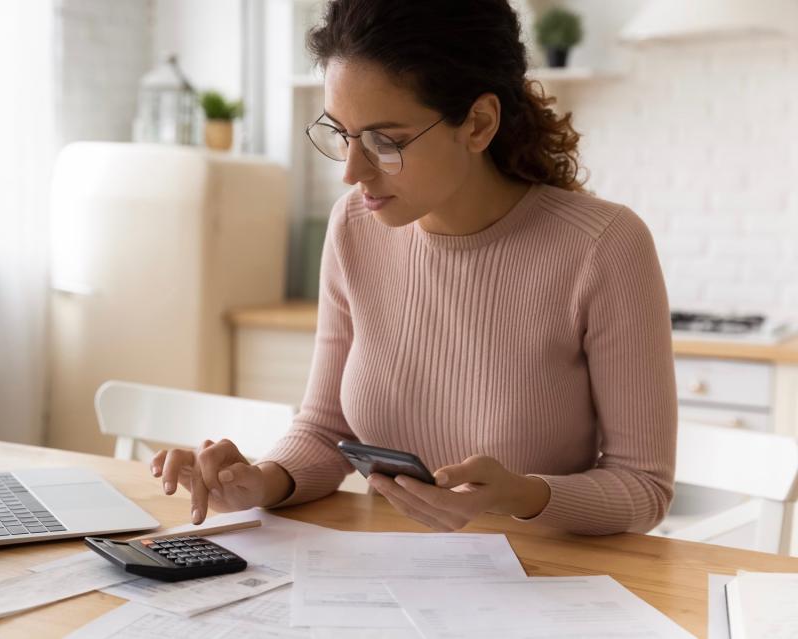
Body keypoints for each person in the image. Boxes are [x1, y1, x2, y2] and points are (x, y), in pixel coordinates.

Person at [151, 0, 677, 535]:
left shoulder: (603, 246)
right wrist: (261, 481)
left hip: (545, 585)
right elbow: (325, 428)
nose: (352, 172)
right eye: (342, 134)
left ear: (478, 123)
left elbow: (643, 487)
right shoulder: (353, 227)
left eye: (386, 142)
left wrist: (521, 495)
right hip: (386, 579)